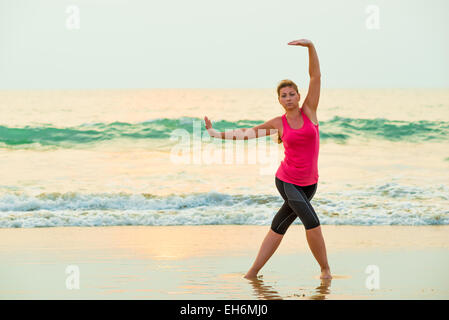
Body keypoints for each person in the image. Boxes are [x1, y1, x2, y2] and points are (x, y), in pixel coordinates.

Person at [204, 39, 331, 280]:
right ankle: (326, 271)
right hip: (287, 181)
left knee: (279, 226)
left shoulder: (310, 111)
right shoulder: (277, 123)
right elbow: (245, 134)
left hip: (310, 183)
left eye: (292, 93)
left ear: (298, 95)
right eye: (284, 95)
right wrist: (215, 134)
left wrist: (311, 47)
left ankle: (252, 273)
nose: (289, 98)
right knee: (312, 222)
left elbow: (316, 77)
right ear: (280, 100)